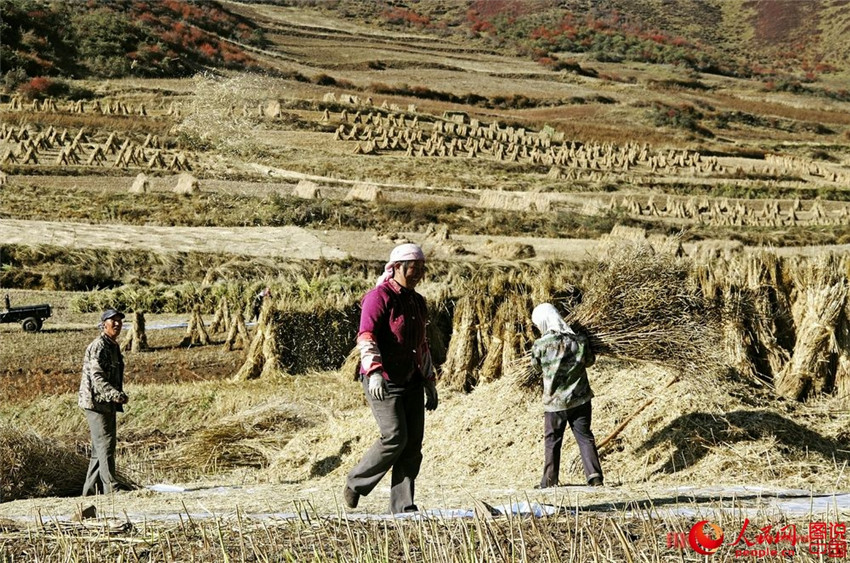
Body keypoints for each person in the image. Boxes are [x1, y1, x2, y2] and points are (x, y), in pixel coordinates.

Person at [343, 243, 438, 513]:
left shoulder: (417, 301)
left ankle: (403, 506)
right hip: (384, 379)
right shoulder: (379, 297)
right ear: (396, 267)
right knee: (395, 436)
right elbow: (366, 336)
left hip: (411, 380)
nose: (418, 273)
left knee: (412, 445)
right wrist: (373, 372)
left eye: (422, 268)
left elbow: (421, 344)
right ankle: (356, 482)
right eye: (413, 268)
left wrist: (429, 381)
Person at [530, 302, 603, 488]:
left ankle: (549, 482)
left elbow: (536, 367)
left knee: (552, 441)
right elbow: (589, 361)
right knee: (585, 437)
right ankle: (594, 477)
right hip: (581, 399)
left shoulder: (540, 345)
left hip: (555, 404)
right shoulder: (579, 340)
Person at [78, 309, 129, 496]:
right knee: (105, 445)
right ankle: (112, 489)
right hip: (96, 403)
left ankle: (89, 492)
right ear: (103, 324)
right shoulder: (98, 346)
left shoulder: (112, 346)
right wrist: (114, 394)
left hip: (106, 402)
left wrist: (115, 395)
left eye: (119, 321)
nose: (117, 324)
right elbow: (96, 376)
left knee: (99, 448)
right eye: (112, 321)